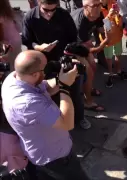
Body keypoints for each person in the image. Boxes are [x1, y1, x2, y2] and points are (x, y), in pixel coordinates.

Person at [1, 50, 90, 180]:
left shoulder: (14, 78)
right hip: (54, 159)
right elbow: (67, 123)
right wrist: (65, 87)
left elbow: (46, 86)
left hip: (45, 151)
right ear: (35, 74)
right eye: (45, 69)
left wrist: (66, 75)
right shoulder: (27, 103)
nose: (48, 71)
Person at [22, 0, 92, 129]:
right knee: (50, 94)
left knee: (75, 92)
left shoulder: (63, 15)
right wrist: (38, 47)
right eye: (46, 10)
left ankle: (79, 118)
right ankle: (58, 121)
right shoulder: (30, 17)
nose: (49, 14)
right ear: (39, 3)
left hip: (65, 60)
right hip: (44, 64)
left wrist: (73, 53)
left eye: (53, 10)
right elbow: (27, 41)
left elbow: (73, 38)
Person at [71, 0, 109, 111]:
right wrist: (102, 45)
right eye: (94, 6)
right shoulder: (80, 22)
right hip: (72, 45)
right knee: (87, 70)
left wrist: (109, 31)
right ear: (85, 7)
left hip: (83, 43)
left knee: (93, 65)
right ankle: (88, 102)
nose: (98, 8)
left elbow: (103, 28)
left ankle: (88, 88)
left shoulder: (98, 13)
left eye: (99, 5)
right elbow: (89, 49)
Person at [99, 0, 127, 88]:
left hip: (117, 36)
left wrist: (118, 15)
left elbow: (120, 24)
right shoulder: (97, 8)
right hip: (107, 39)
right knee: (109, 57)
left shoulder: (113, 3)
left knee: (118, 54)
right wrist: (109, 16)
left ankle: (119, 71)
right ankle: (110, 74)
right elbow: (103, 27)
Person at [0, 0, 22, 71]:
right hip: (15, 43)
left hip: (7, 46)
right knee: (17, 66)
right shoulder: (10, 13)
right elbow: (20, 29)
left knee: (7, 69)